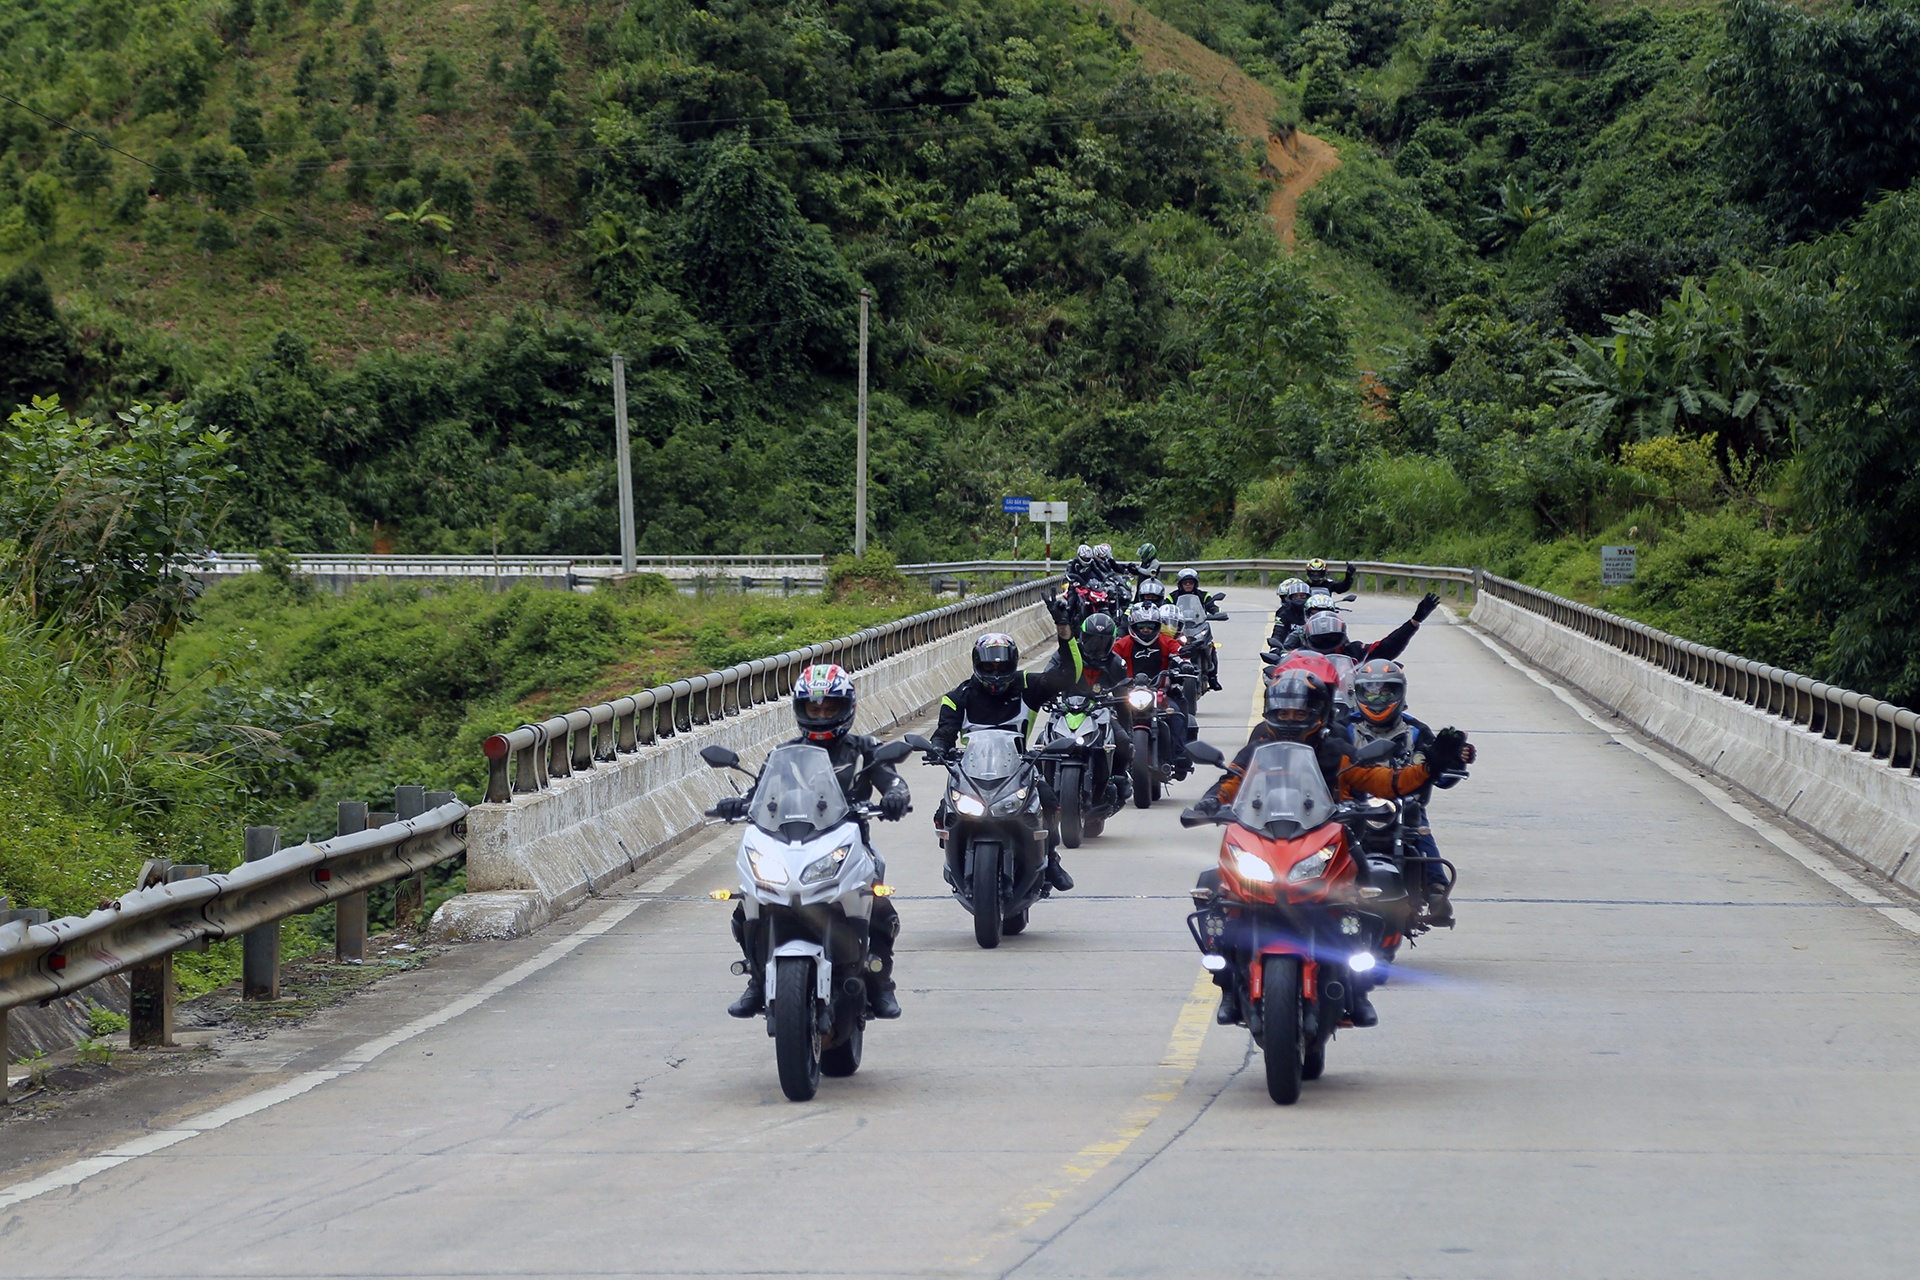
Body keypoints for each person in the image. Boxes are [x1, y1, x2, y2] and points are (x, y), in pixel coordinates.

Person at [1187, 670, 1472, 1026]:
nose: (1291, 720)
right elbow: (1230, 782)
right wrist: (1208, 804)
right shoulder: (1258, 749)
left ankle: (1360, 985)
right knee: (1213, 885)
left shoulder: (1337, 751)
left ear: (1318, 713)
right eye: (1284, 713)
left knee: (1375, 888)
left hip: (1325, 837)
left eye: (1300, 713)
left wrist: (1431, 766)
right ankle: (1227, 984)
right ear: (1271, 713)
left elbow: (1388, 782)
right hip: (1265, 837)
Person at [715, 664, 910, 1020]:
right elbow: (758, 792)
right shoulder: (783, 754)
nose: (821, 716)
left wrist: (895, 797)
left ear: (846, 707)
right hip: (794, 842)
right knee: (747, 903)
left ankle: (881, 983)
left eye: (829, 708)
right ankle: (756, 979)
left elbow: (893, 782)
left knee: (880, 906)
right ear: (800, 710)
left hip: (849, 845)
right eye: (813, 709)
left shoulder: (865, 750)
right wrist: (737, 803)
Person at [931, 633, 1076, 890]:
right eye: (989, 667)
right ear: (977, 664)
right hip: (970, 772)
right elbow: (944, 731)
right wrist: (937, 749)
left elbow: (1067, 676)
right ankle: (954, 860)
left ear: (1013, 665)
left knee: (1048, 800)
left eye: (1002, 667)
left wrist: (1065, 633)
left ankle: (1051, 857)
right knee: (944, 812)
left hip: (1019, 768)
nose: (996, 674)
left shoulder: (1027, 687)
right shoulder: (958, 696)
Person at [1349, 659, 1475, 924]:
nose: (1378, 698)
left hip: (1405, 804)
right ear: (1358, 693)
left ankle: (1436, 891)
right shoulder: (1343, 727)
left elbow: (1440, 772)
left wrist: (1456, 758)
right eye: (1370, 691)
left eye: (1386, 691)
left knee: (1421, 832)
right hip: (1354, 805)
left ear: (1400, 693)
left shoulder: (1417, 731)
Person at [1042, 606, 1136, 802]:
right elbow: (1046, 677)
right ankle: (1041, 780)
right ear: (1082, 637)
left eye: (1102, 641)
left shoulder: (1116, 664)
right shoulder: (1066, 655)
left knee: (1124, 743)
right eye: (1092, 639)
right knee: (1041, 744)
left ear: (1111, 641)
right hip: (1066, 710)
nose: (1096, 646)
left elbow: (1123, 697)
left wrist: (1122, 702)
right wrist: (1047, 692)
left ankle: (1120, 776)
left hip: (1101, 711)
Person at [1288, 592, 1444, 662]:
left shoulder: (1355, 652)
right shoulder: (1299, 656)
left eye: (1326, 614)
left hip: (1351, 711)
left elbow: (1386, 647)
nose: (1323, 622)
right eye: (1316, 613)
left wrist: (1415, 621)